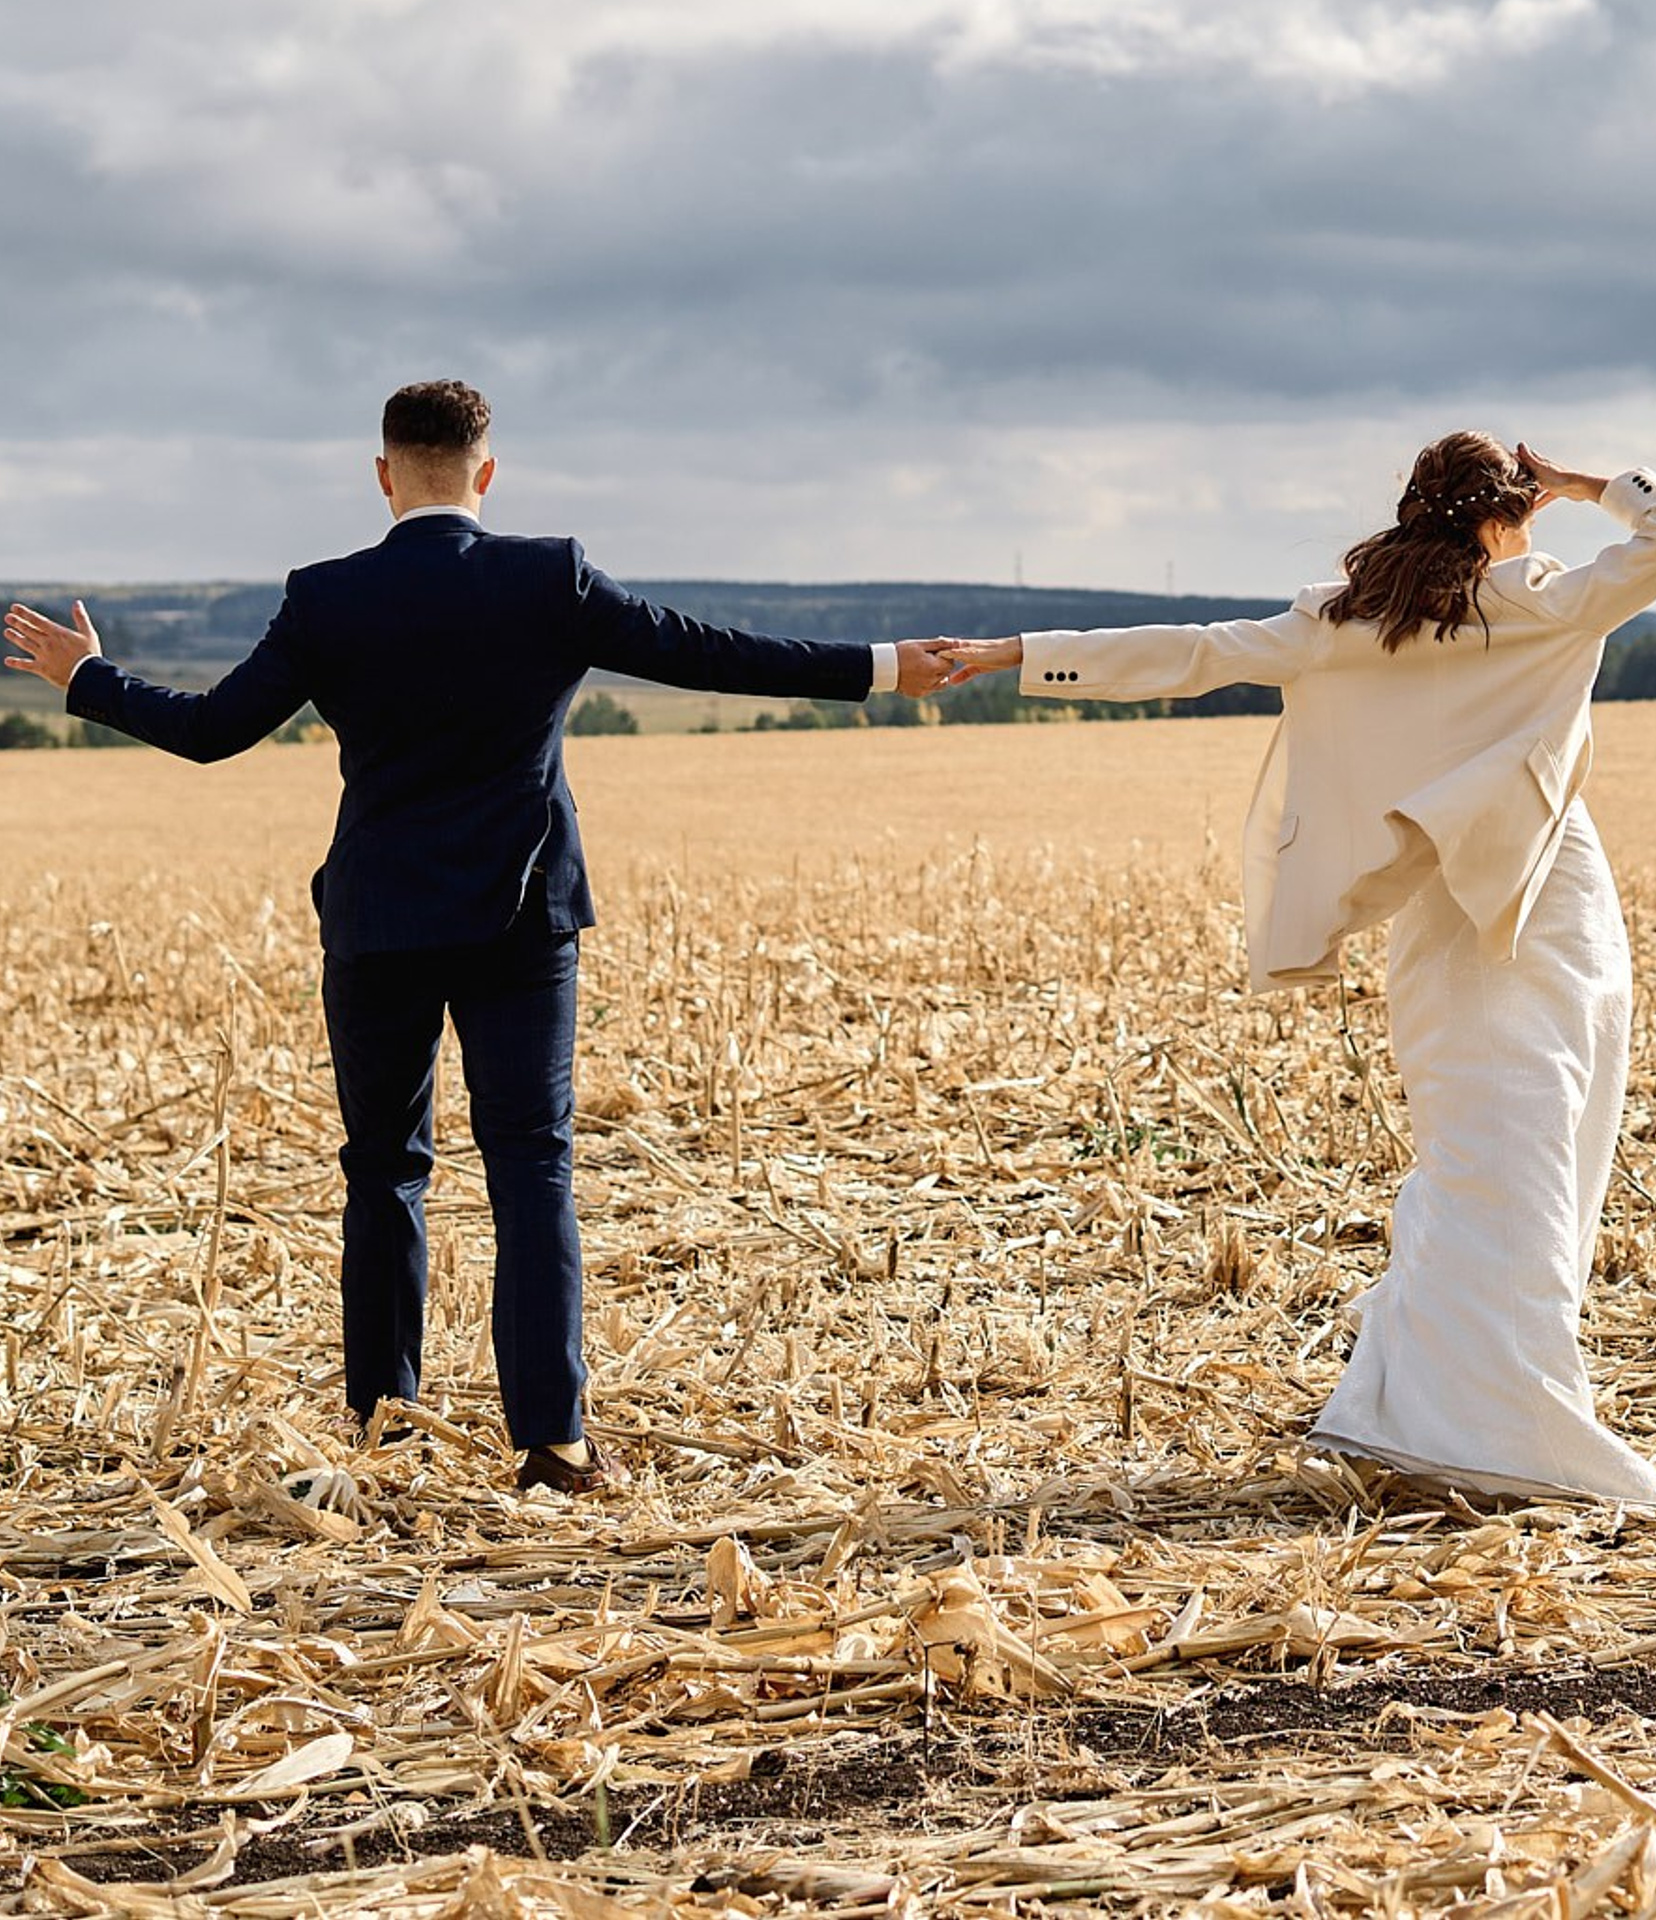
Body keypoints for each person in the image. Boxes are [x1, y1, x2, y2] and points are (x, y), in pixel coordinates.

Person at [4, 379, 964, 1495]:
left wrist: (91, 680)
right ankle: (553, 1444)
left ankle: (384, 1428)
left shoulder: (325, 599)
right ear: (487, 472)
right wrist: (884, 666)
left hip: (379, 924)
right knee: (531, 1168)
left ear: (382, 475)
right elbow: (712, 652)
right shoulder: (545, 577)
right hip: (521, 923)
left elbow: (214, 729)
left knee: (381, 1171)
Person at [946, 434, 1656, 1505]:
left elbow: (1187, 651)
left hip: (1445, 915)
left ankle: (1425, 1409)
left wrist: (1016, 653)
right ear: (1510, 514)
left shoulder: (1343, 624)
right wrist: (1593, 486)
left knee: (1487, 1151)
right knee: (1537, 1151)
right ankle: (1494, 1425)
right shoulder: (1545, 604)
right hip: (1549, 894)